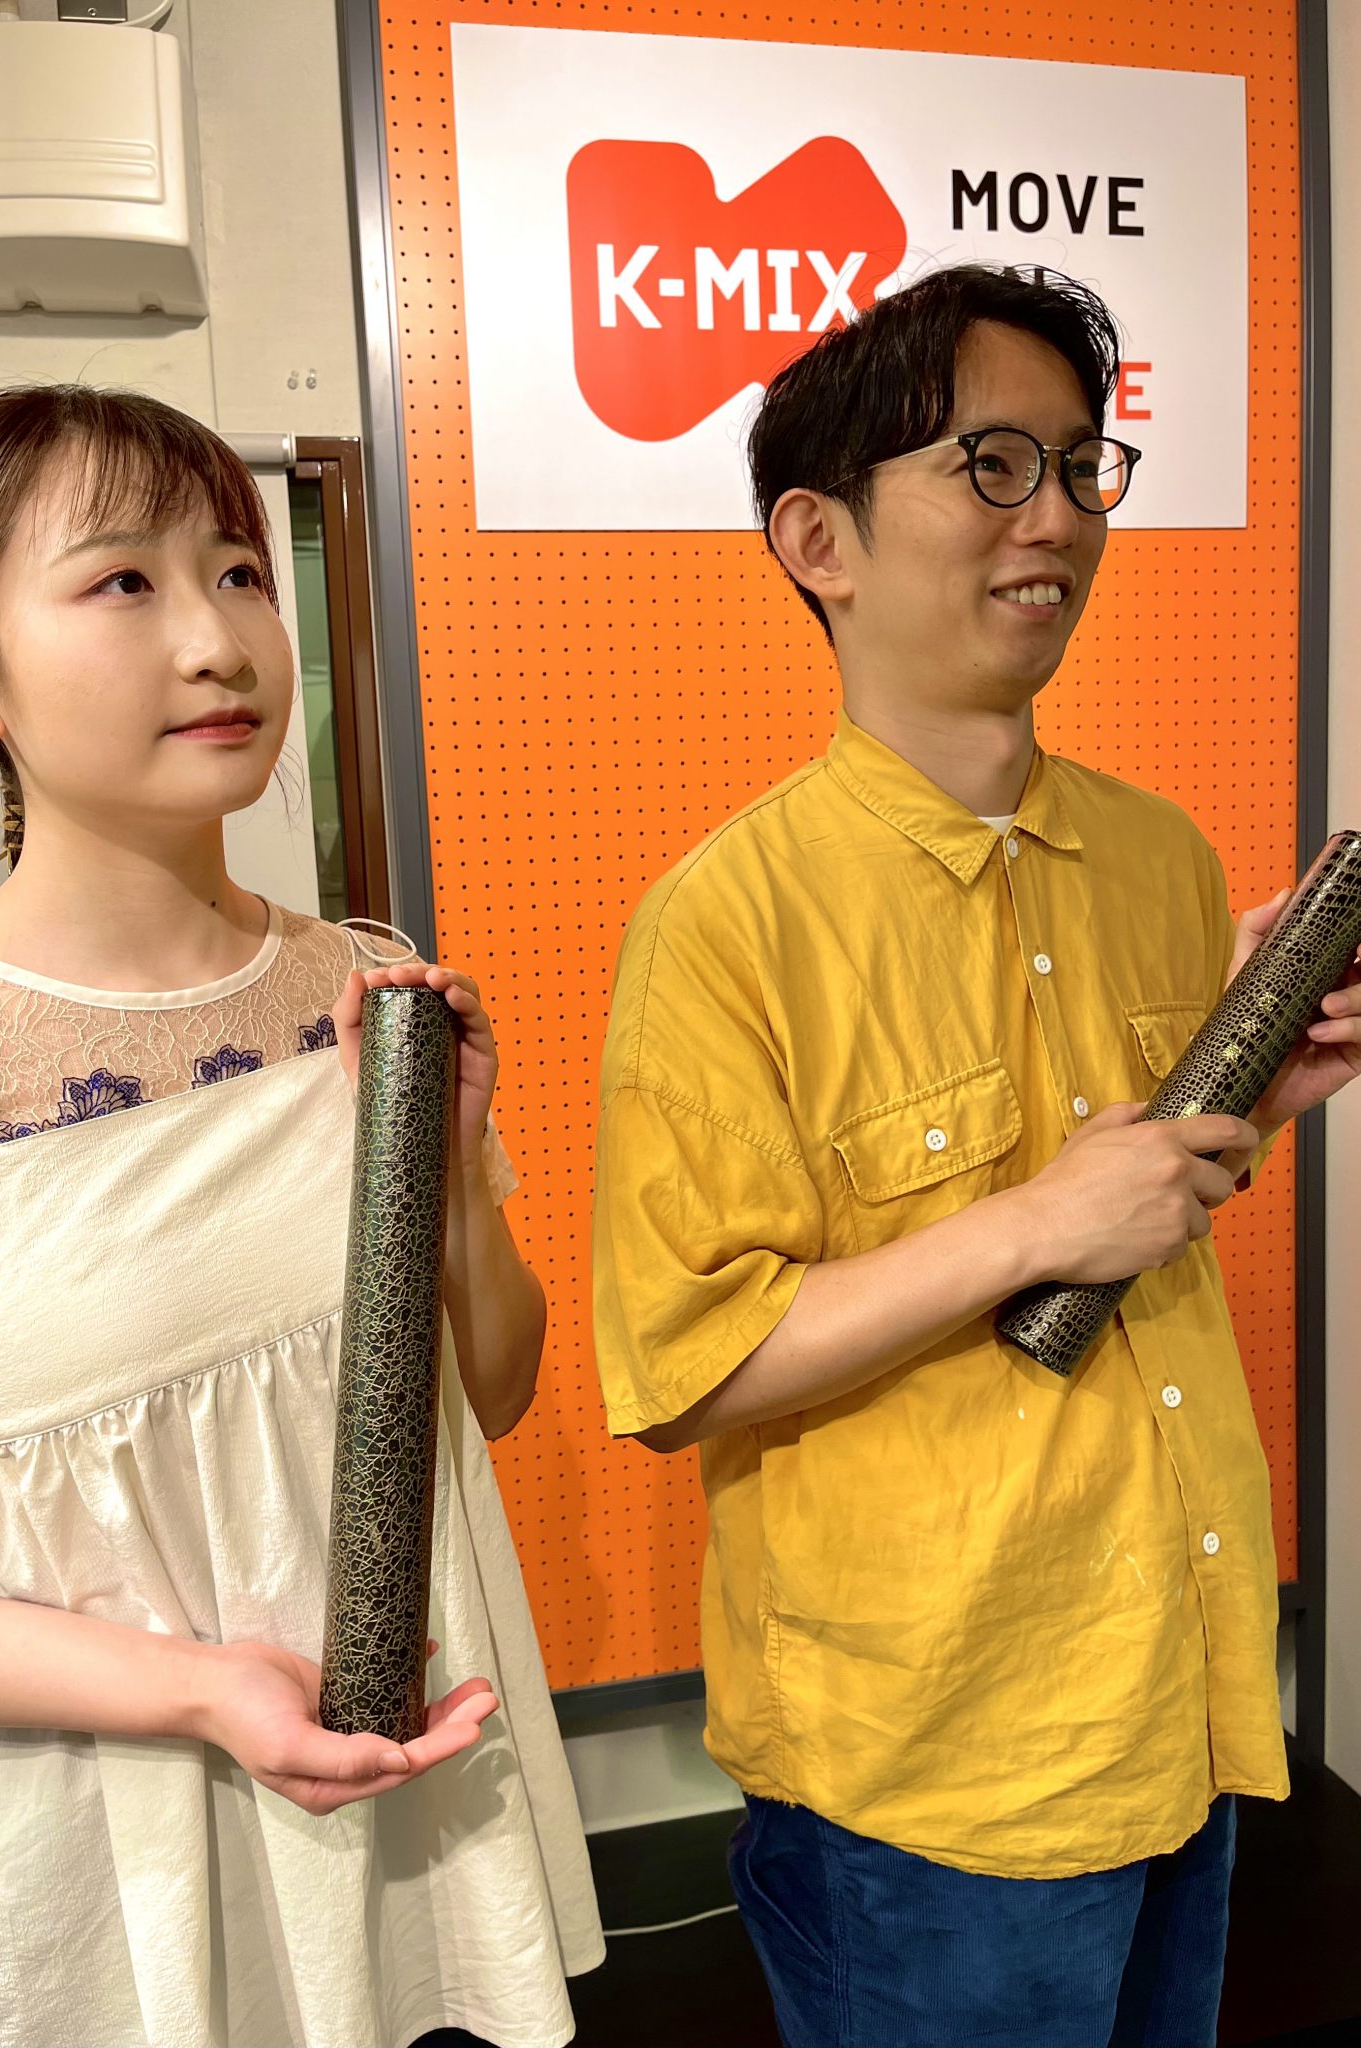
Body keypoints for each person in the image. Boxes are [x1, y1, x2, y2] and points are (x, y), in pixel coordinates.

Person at [591, 265, 1361, 2048]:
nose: (1059, 518)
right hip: (932, 1767)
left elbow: (1136, 1213)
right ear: (820, 540)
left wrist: (1245, 1109)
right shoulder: (725, 924)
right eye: (992, 465)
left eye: (1084, 467)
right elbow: (688, 1372)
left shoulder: (1160, 859)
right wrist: (1036, 1225)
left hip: (1177, 1691)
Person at [0, 385, 601, 2048]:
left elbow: (493, 1390)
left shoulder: (365, 979)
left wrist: (454, 1181)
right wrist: (200, 1693)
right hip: (89, 1848)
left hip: (398, 1786)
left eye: (239, 574)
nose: (217, 643)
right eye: (122, 582)